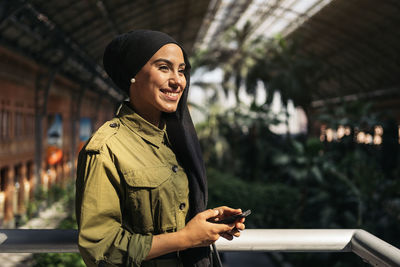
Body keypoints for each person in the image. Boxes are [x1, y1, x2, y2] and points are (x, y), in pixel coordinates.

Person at [75, 29, 245, 267]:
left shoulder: (175, 139)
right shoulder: (107, 148)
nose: (177, 81)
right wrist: (185, 238)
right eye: (164, 67)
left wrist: (204, 224)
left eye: (182, 70)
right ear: (133, 75)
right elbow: (100, 248)